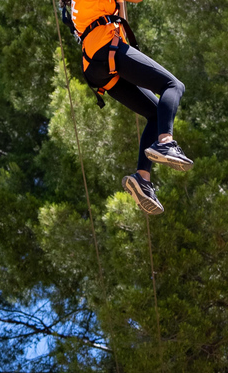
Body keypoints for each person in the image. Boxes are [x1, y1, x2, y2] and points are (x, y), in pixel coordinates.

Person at [66, 0, 193, 215]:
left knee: (155, 114)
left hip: (95, 65)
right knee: (173, 86)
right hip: (107, 47)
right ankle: (165, 142)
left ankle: (142, 178)